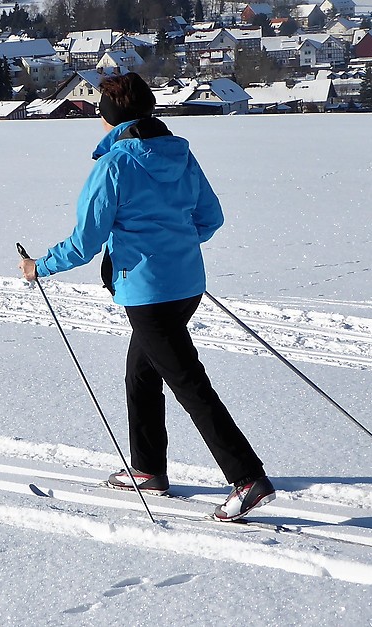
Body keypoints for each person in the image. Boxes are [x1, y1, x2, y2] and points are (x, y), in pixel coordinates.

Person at [18, 73, 275, 521]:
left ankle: (247, 477)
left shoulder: (114, 165)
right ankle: (148, 469)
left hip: (148, 294)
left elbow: (85, 241)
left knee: (189, 384)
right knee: (141, 374)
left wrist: (38, 266)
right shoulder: (180, 154)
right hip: (187, 287)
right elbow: (210, 219)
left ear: (110, 117)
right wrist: (172, 243)